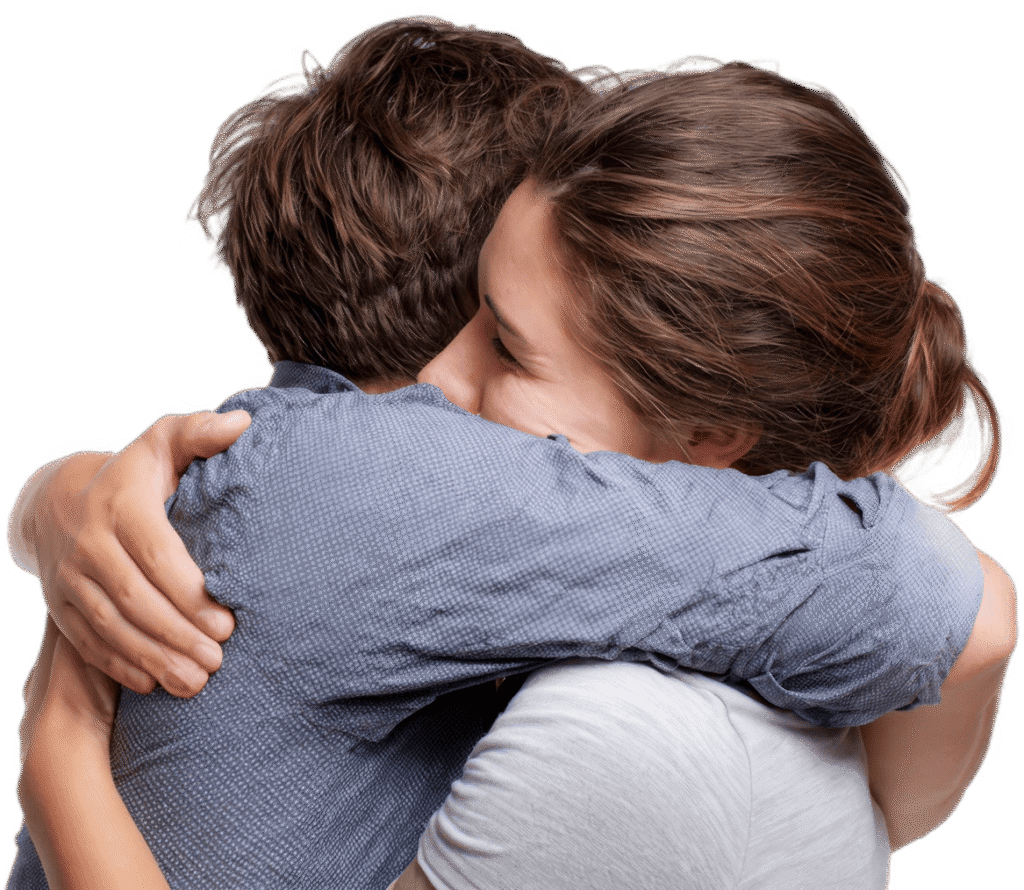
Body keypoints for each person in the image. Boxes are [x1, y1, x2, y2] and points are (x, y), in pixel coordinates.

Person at [8, 23, 1016, 890]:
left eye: (505, 341)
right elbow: (959, 609)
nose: (441, 387)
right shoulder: (398, 504)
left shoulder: (321, 480)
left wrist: (56, 531)